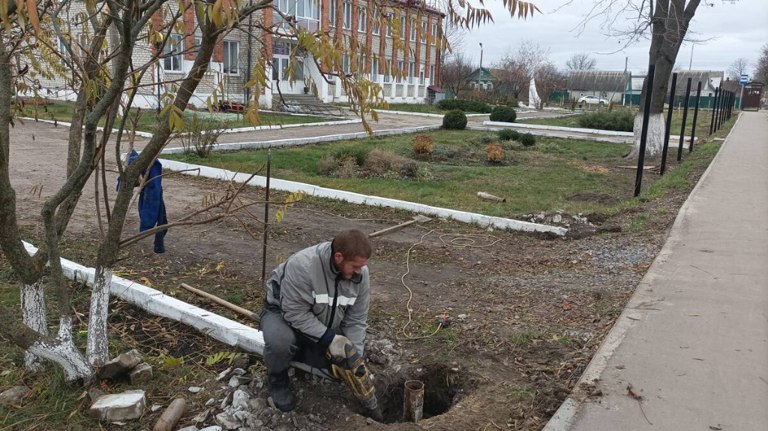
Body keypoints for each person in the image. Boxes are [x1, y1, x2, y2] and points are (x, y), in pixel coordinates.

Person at [260, 229, 372, 412]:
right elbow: (294, 313)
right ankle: (278, 379)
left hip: (322, 320)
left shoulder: (361, 274)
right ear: (338, 257)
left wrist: (355, 357)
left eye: (363, 266)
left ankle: (303, 352)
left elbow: (356, 319)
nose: (360, 271)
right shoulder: (304, 266)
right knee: (280, 343)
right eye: (355, 266)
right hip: (283, 314)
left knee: (337, 366)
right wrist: (330, 339)